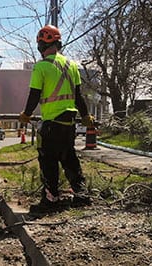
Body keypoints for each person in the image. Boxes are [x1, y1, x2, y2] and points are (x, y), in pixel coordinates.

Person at [19, 25, 95, 213]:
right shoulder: (72, 66)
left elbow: (34, 94)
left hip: (52, 123)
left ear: (41, 45)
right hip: (69, 122)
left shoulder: (42, 66)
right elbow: (78, 97)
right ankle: (81, 195)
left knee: (48, 160)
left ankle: (51, 200)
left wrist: (26, 114)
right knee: (69, 158)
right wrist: (85, 116)